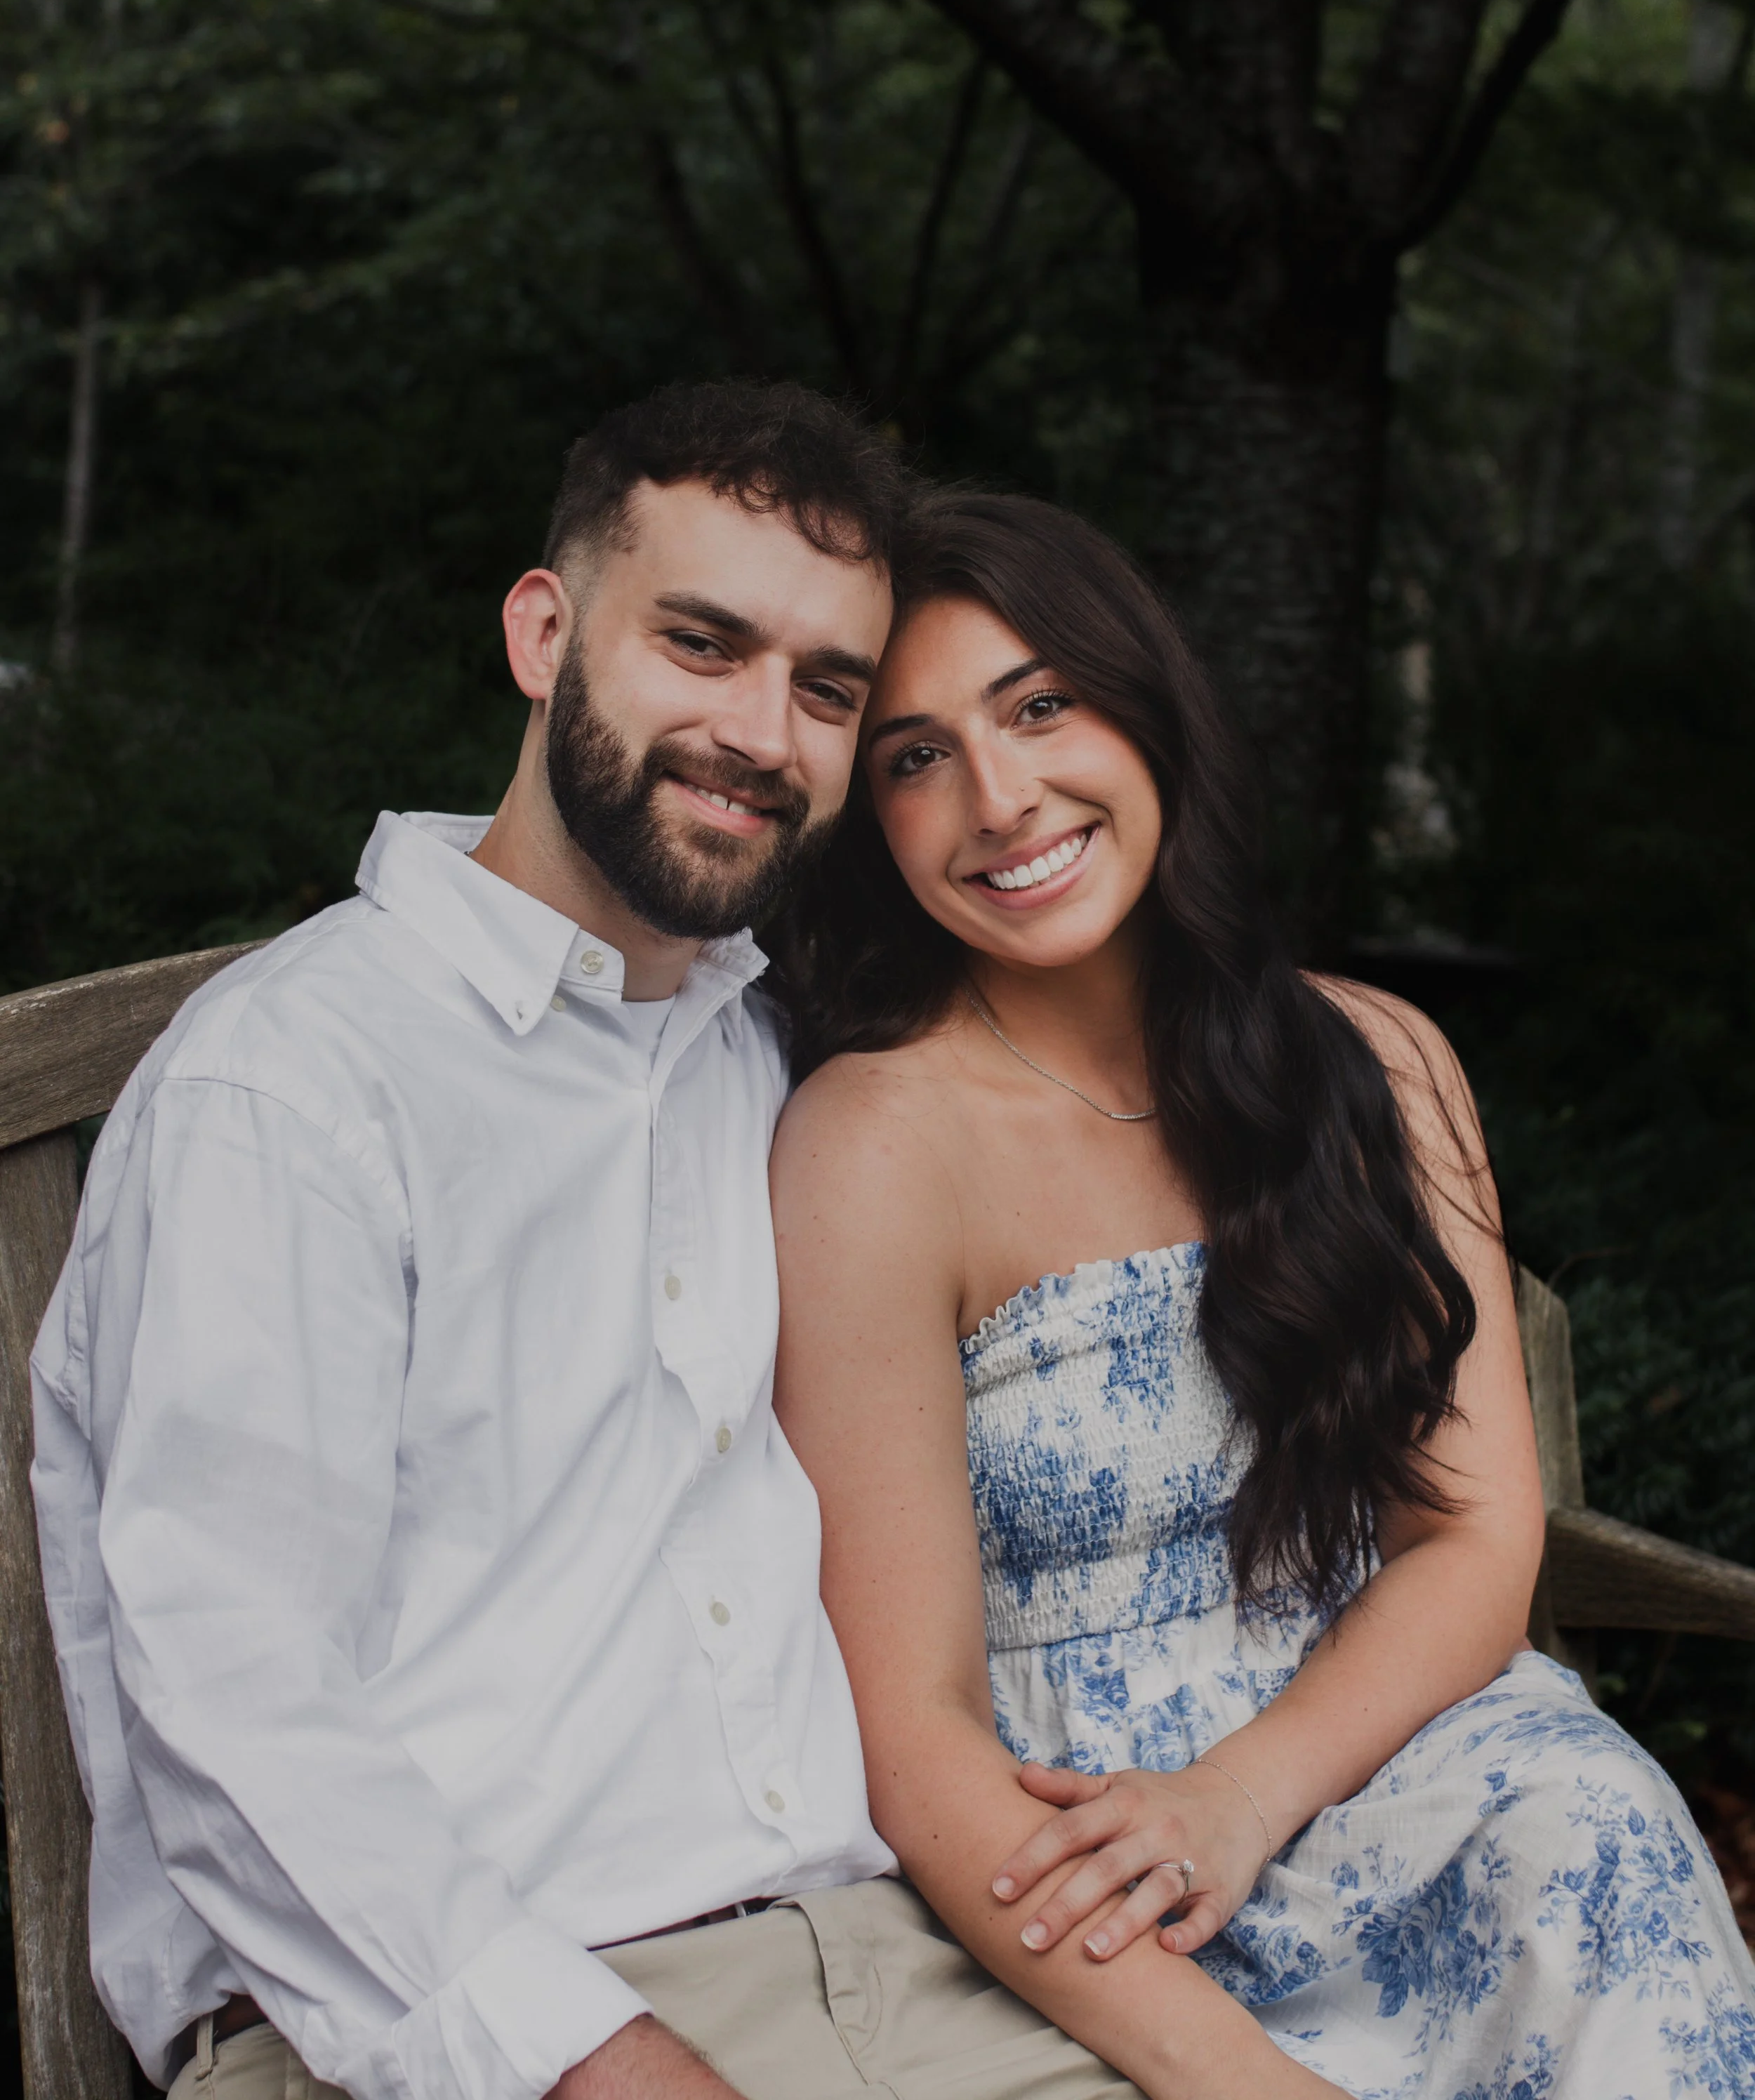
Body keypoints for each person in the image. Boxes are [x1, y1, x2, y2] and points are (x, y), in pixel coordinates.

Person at [34, 386, 1165, 2100]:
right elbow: (233, 1695)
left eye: (825, 691)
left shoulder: (771, 1068)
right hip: (424, 2034)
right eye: (701, 644)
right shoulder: (294, 1087)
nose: (761, 732)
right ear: (543, 633)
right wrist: (591, 2059)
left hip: (887, 1978)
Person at [769, 489, 1755, 2100]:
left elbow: (1473, 1536)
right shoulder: (875, 1144)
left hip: (1400, 1769)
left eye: (1039, 706)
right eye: (914, 754)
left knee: (1598, 1826)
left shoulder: (1368, 1063)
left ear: (1148, 712)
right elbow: (911, 1729)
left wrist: (1239, 1793)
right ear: (867, 818)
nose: (998, 797)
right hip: (1070, 1878)